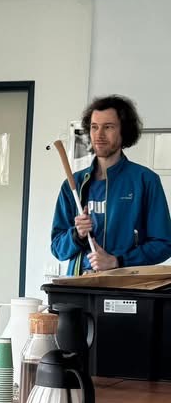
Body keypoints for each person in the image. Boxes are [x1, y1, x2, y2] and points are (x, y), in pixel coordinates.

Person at [51, 95, 171, 275]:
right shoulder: (73, 184)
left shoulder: (145, 181)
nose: (98, 135)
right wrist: (77, 234)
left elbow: (164, 243)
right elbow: (57, 248)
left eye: (108, 127)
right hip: (79, 288)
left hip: (125, 288)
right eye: (94, 127)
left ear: (124, 131)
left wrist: (117, 261)